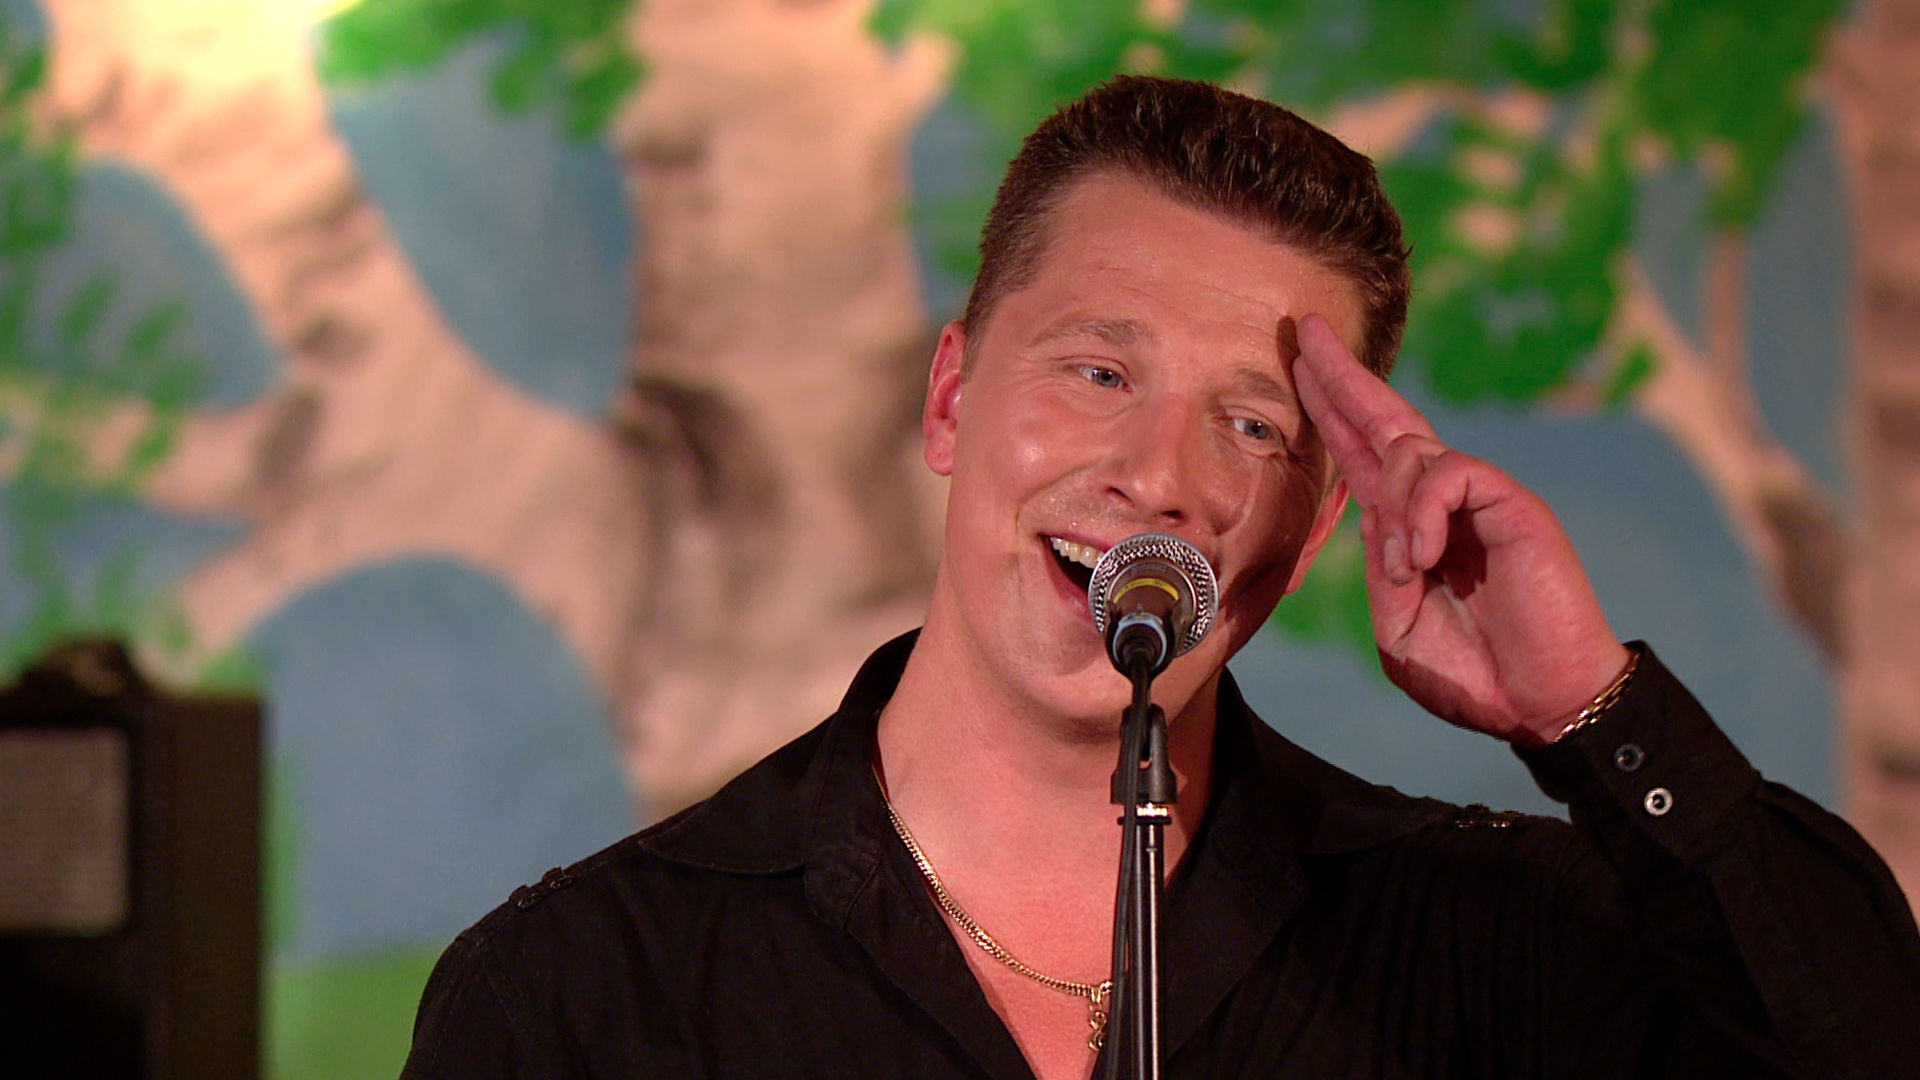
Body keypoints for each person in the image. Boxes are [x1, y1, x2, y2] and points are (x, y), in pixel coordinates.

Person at [400, 76, 1920, 1079]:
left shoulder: (1489, 941)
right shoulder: (584, 992)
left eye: (1252, 426)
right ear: (952, 400)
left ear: (1311, 528)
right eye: (1100, 371)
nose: (1161, 478)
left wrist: (1591, 709)